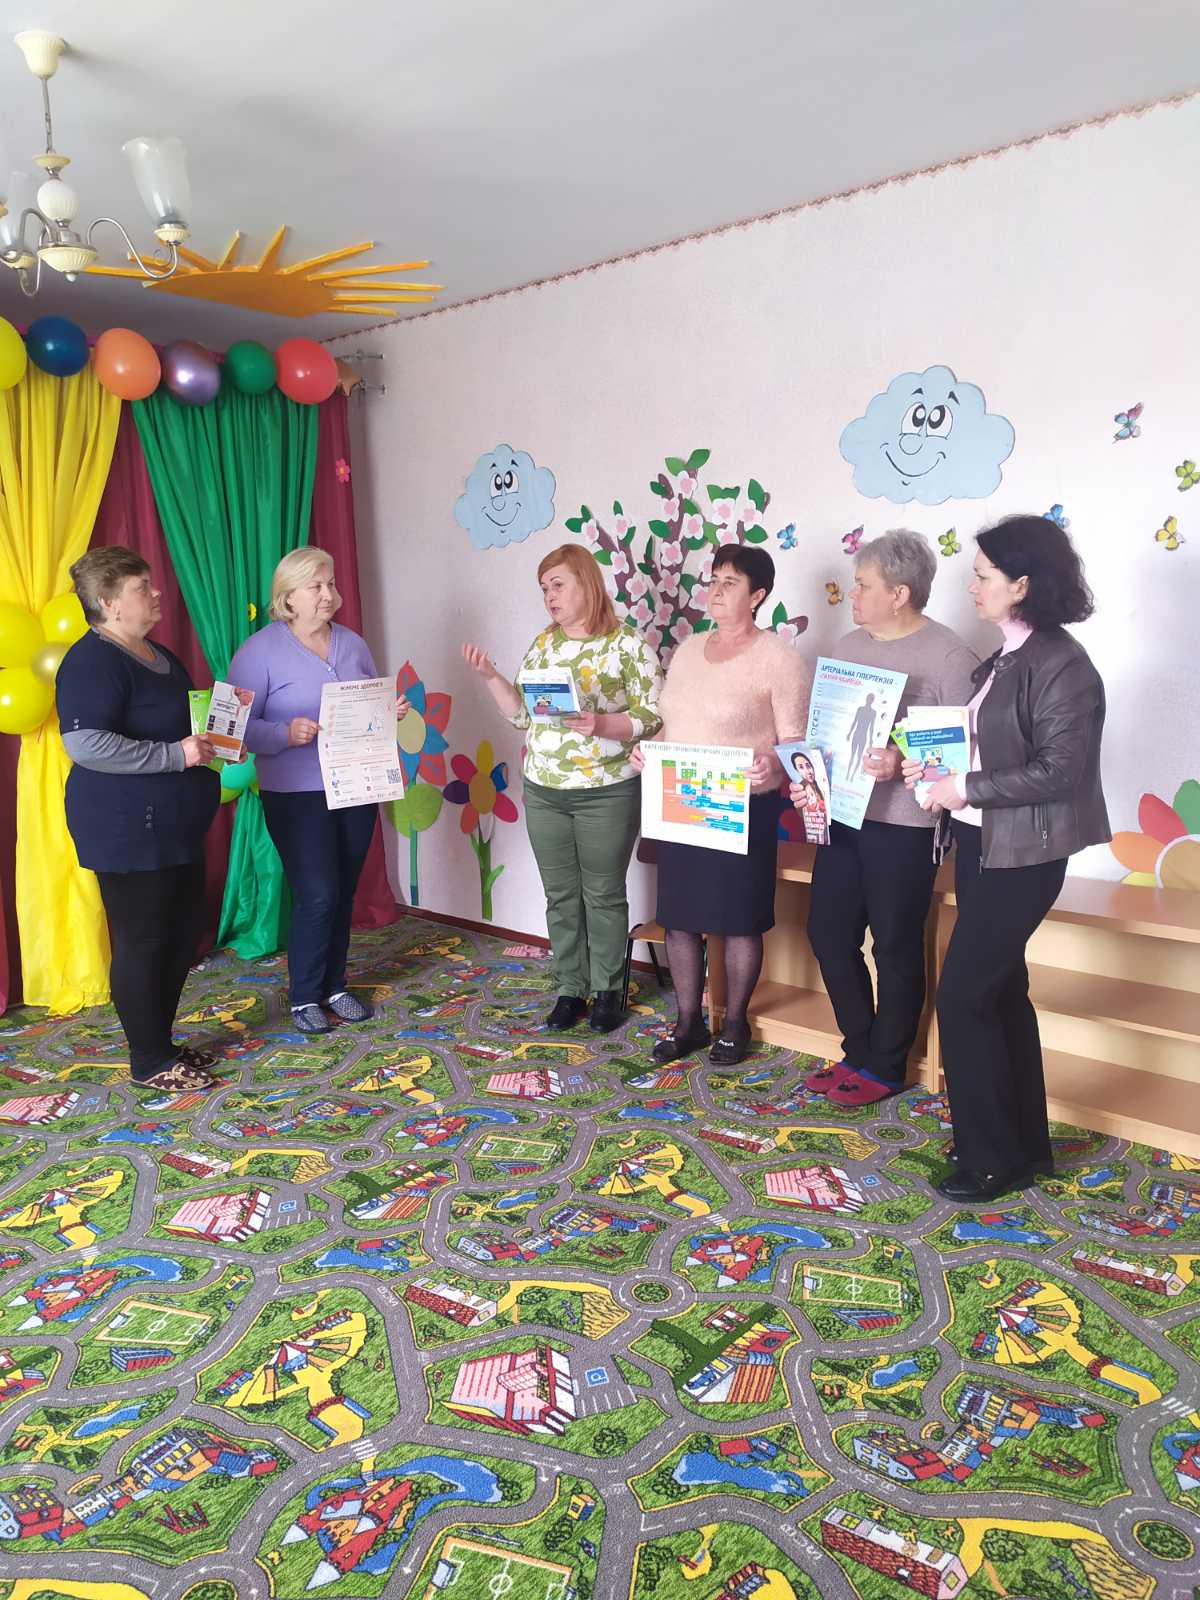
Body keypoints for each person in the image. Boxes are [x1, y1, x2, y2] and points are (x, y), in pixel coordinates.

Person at [903, 515, 1110, 1201]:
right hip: (983, 842)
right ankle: (1021, 1145)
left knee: (964, 996)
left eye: (983, 576)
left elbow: (1061, 770)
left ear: (1023, 584)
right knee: (1000, 992)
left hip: (1024, 855)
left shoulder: (1063, 664)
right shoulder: (1006, 656)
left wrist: (965, 787)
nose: (972, 587)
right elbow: (989, 749)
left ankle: (991, 1159)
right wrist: (937, 775)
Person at [799, 531, 978, 1108]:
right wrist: (808, 778)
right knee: (827, 933)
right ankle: (859, 1047)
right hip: (843, 814)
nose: (852, 594)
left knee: (895, 945)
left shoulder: (949, 658)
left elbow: (967, 755)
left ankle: (887, 1063)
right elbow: (824, 732)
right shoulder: (848, 647)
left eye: (864, 585)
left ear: (899, 593)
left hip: (905, 825)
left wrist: (902, 762)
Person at [463, 543, 662, 1033]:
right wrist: (490, 676)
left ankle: (608, 990)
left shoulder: (627, 644)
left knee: (603, 894)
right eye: (543, 589)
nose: (549, 596)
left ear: (586, 583)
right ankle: (570, 988)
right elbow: (521, 716)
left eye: (558, 585)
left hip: (605, 790)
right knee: (560, 895)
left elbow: (653, 715)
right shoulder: (544, 644)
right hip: (544, 790)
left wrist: (602, 724)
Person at [56, 547, 221, 1092]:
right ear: (108, 602)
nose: (156, 593)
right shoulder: (92, 662)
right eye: (141, 587)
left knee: (182, 933)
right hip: (125, 828)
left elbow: (181, 726)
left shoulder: (159, 654)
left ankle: (161, 1042)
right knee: (143, 939)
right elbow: (86, 744)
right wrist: (176, 755)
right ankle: (148, 1060)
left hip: (175, 825)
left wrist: (213, 742)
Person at [642, 544, 810, 1066]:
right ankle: (688, 1023)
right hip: (681, 801)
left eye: (729, 583)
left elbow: (795, 744)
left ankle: (735, 1023)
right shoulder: (689, 649)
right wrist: (649, 750)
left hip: (742, 807)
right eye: (713, 580)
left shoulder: (779, 659)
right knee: (678, 919)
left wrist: (773, 765)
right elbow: (674, 722)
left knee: (740, 920)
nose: (715, 591)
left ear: (757, 596)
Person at [229, 548, 387, 1035]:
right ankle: (304, 996)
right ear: (288, 597)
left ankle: (335, 986)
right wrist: (282, 734)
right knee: (317, 893)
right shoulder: (256, 652)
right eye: (315, 586)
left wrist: (387, 710)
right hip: (296, 794)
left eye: (331, 583)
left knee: (343, 890)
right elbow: (228, 728)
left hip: (356, 787)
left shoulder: (353, 645)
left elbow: (366, 706)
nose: (328, 594)